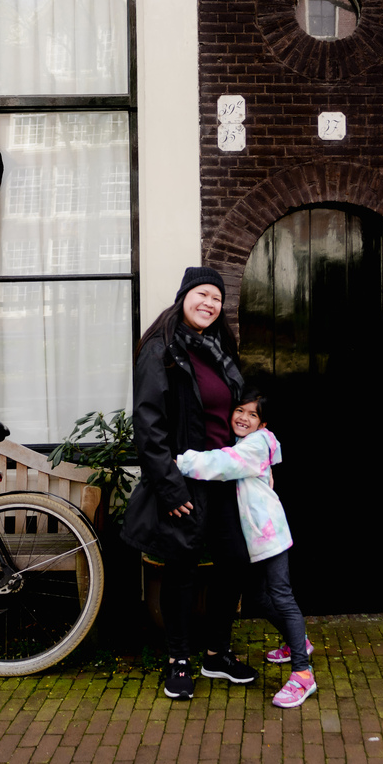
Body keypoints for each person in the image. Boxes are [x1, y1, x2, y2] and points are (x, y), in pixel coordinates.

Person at [120, 266, 258, 701]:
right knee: (181, 571)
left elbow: (235, 412)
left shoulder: (219, 346)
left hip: (223, 476)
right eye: (201, 294)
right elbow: (149, 425)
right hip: (184, 481)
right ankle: (178, 659)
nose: (209, 303)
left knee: (234, 560)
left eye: (216, 298)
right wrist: (171, 487)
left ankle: (215, 653)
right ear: (183, 297)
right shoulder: (161, 350)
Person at [175, 391, 316, 709]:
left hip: (270, 534)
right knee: (257, 597)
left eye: (252, 415)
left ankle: (303, 674)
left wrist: (178, 463)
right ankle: (299, 644)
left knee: (281, 596)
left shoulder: (256, 444)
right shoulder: (249, 442)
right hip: (256, 538)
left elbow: (222, 464)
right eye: (239, 410)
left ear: (262, 423)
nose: (243, 418)